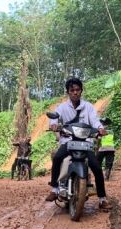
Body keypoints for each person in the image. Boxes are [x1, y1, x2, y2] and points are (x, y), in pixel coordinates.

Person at [46, 77, 112, 210]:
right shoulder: (63, 107)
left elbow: (94, 120)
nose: (75, 92)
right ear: (68, 92)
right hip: (68, 141)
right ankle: (55, 189)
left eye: (77, 90)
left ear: (81, 91)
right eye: (72, 90)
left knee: (97, 168)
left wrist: (100, 128)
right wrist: (53, 125)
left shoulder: (88, 107)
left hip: (85, 142)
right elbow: (55, 117)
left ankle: (102, 198)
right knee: (58, 158)